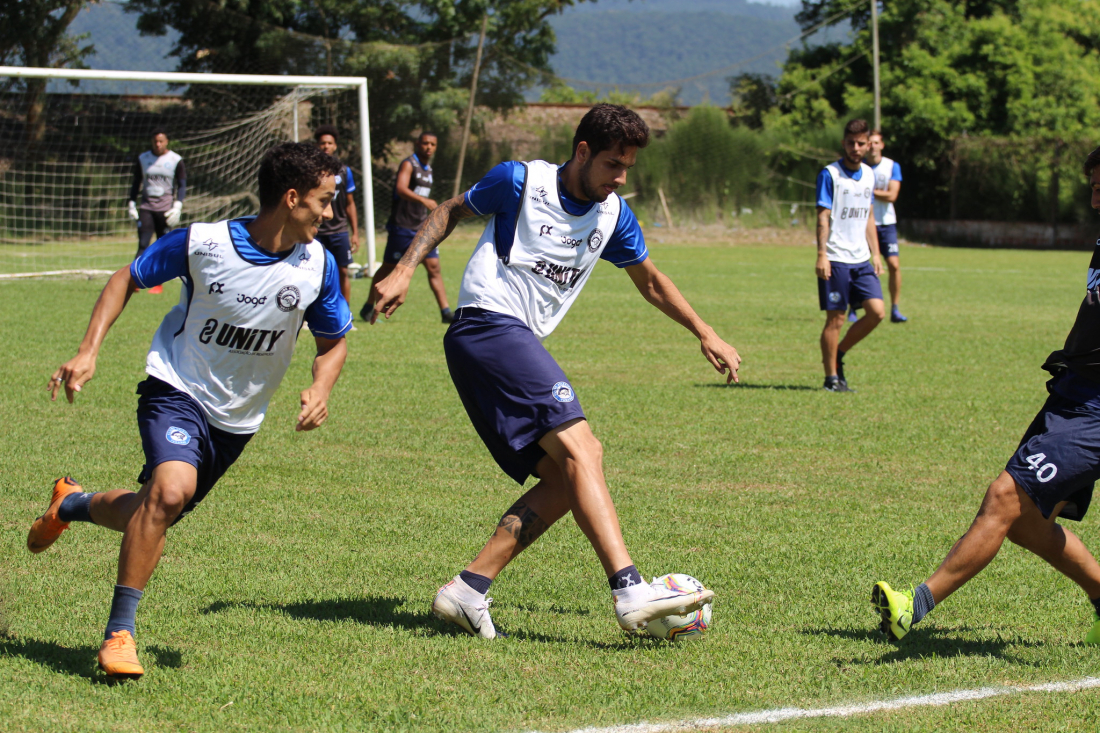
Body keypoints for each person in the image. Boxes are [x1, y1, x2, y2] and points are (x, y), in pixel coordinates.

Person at [371, 104, 738, 638]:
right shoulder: (519, 181)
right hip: (487, 325)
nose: (620, 178)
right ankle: (630, 590)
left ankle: (468, 589)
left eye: (628, 168)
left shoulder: (613, 215)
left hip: (506, 340)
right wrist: (405, 269)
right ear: (582, 151)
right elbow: (449, 209)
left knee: (570, 477)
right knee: (586, 450)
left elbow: (651, 280)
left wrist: (705, 331)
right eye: (613, 164)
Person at [28, 142, 352, 679]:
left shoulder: (318, 264)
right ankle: (119, 635)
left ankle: (71, 503)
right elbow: (127, 277)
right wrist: (88, 350)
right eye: (324, 200)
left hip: (238, 419)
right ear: (293, 198)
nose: (329, 211)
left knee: (151, 512)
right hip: (176, 386)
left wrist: (322, 387)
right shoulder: (204, 243)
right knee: (170, 492)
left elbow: (332, 341)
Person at [872, 147, 1100, 645]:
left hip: (1096, 411)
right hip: (1072, 393)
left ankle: (913, 606)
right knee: (1027, 524)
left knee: (1005, 497)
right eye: (1093, 187)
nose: (1095, 199)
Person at [815, 118, 884, 392]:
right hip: (836, 258)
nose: (855, 148)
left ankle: (839, 353)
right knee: (836, 319)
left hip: (861, 258)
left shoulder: (868, 174)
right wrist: (822, 254)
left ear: (868, 145)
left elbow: (868, 215)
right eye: (851, 143)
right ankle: (831, 378)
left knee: (877, 312)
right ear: (844, 143)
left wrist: (876, 253)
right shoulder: (829, 174)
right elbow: (823, 216)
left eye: (860, 143)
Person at [360, 132, 453, 324]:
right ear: (417, 144)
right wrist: (423, 200)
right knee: (388, 267)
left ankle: (446, 312)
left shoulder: (429, 169)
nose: (429, 147)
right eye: (425, 143)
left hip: (422, 228)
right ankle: (368, 306)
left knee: (434, 267)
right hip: (402, 227)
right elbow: (401, 189)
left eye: (433, 144)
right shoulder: (409, 164)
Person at [128, 129, 186, 294]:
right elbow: (136, 182)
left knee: (163, 246)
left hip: (165, 210)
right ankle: (135, 280)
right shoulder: (143, 158)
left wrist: (178, 206)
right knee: (143, 244)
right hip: (146, 207)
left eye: (161, 141)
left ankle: (158, 282)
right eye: (155, 141)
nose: (158, 144)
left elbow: (182, 184)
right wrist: (131, 203)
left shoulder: (175, 160)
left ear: (167, 141)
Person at [313, 125, 360, 311]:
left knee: (342, 271)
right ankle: (312, 314)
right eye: (322, 143)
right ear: (317, 145)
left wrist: (355, 232)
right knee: (315, 272)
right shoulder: (311, 171)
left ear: (335, 146)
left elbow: (350, 203)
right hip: (316, 230)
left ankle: (344, 312)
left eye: (329, 143)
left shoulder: (344, 171)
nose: (326, 146)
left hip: (339, 231)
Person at [867, 130, 907, 323]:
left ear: (882, 145)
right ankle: (852, 308)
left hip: (887, 223)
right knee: (857, 266)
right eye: (869, 143)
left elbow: (892, 195)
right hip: (864, 224)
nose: (872, 146)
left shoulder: (892, 166)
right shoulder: (860, 167)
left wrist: (867, 190)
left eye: (876, 142)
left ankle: (895, 309)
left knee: (893, 265)